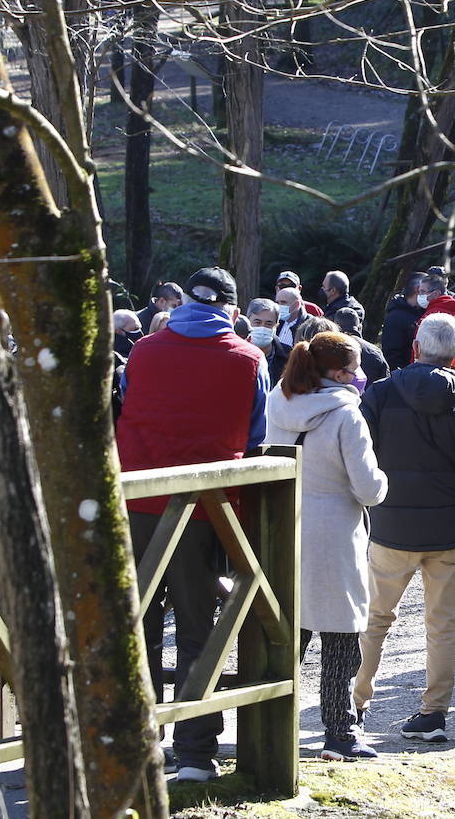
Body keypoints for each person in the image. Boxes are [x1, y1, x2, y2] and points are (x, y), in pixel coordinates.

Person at [117, 267, 269, 782]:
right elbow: (256, 437)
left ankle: (137, 743)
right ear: (230, 308)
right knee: (198, 628)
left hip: (138, 502)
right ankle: (196, 753)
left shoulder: (142, 350)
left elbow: (126, 399)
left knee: (137, 623)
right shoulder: (250, 359)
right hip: (207, 511)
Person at [355, 313, 455, 742]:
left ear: (416, 347)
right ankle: (433, 712)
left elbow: (361, 453)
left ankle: (356, 701)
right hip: (445, 527)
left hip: (390, 523)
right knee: (442, 624)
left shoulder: (380, 395)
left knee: (375, 618)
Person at [265, 332, 388, 760]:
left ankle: (271, 727)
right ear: (337, 373)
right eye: (353, 370)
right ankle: (339, 733)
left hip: (283, 527)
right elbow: (369, 489)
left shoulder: (277, 402)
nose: (359, 377)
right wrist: (385, 480)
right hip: (334, 534)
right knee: (340, 636)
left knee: (288, 636)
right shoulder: (347, 416)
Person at [418, 272, 455, 378]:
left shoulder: (431, 318)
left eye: (422, 292)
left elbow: (419, 350)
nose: (419, 296)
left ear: (436, 293)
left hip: (432, 376)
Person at [330, 307, 389, 388]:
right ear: (359, 327)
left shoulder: (329, 350)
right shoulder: (374, 351)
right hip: (371, 398)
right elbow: (386, 383)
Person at [380, 273, 427, 370]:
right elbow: (392, 354)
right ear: (418, 289)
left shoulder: (422, 312)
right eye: (427, 290)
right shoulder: (395, 317)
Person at [246, 297, 291, 385]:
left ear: (276, 326)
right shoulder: (237, 353)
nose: (262, 327)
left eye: (268, 324)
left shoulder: (289, 356)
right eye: (257, 322)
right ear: (248, 322)